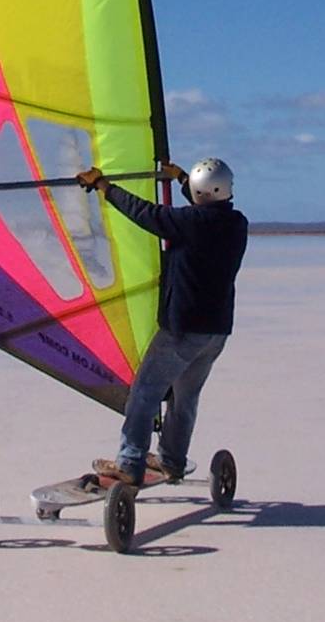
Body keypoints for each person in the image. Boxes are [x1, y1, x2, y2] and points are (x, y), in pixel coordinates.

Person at [75, 156, 248, 487]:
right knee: (185, 398)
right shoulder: (237, 224)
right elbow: (206, 208)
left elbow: (147, 214)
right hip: (215, 333)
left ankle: (129, 463)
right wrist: (182, 178)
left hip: (181, 332)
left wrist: (103, 186)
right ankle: (171, 460)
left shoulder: (191, 222)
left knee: (144, 394)